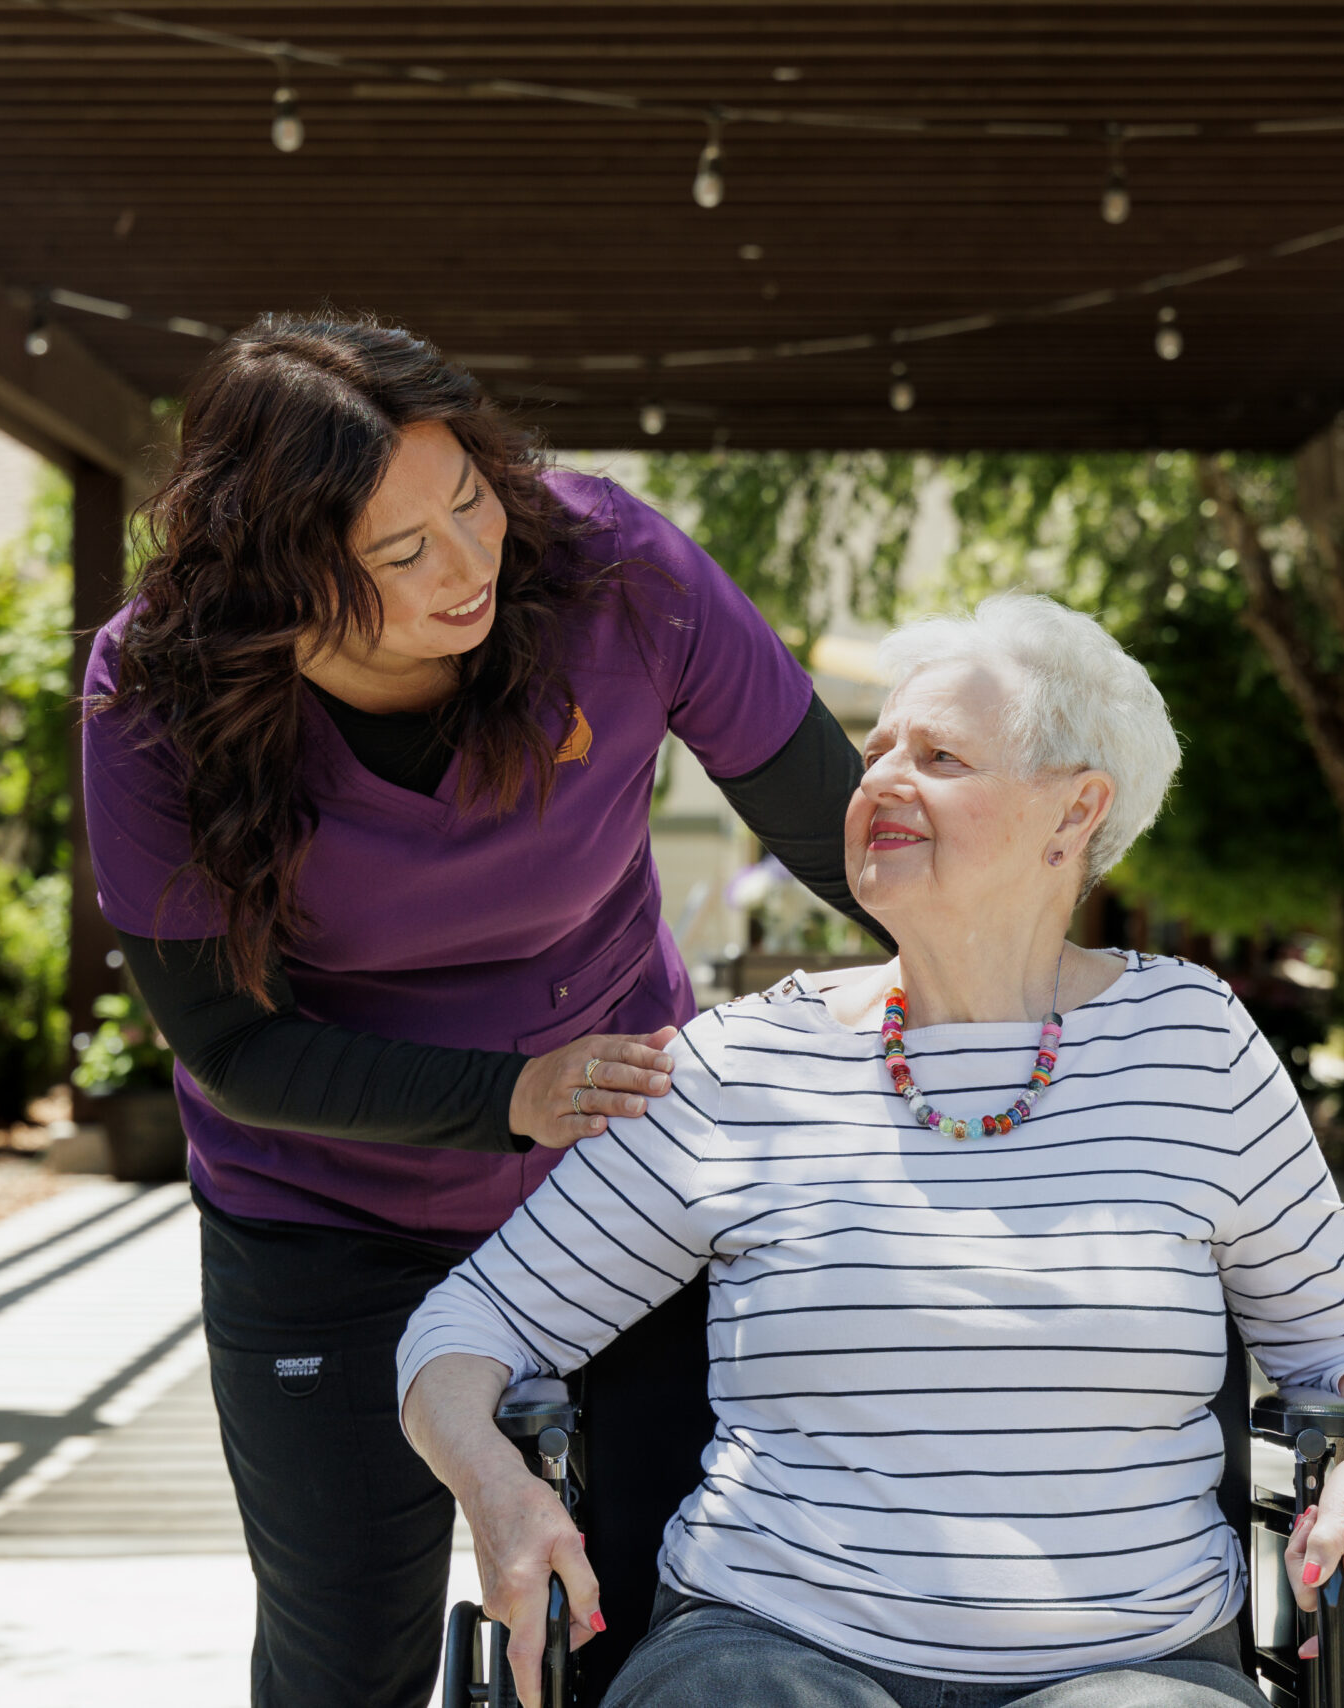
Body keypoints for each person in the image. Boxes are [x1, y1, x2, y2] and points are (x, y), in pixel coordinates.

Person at [399, 592, 1344, 1708]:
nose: (880, 782)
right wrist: (499, 1494)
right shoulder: (742, 1064)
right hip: (774, 1647)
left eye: (940, 755)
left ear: (1073, 813)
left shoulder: (1191, 1046)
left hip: (1129, 1664)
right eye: (874, 752)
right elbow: (467, 1330)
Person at [81, 313, 885, 1708]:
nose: (469, 568)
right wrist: (500, 1095)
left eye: (471, 507)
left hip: (620, 1177)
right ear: (280, 580)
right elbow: (225, 1044)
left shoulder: (612, 570)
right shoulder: (154, 688)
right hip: (320, 1209)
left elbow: (842, 836)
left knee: (651, 1622)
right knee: (346, 1664)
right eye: (404, 554)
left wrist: (1043, 995)